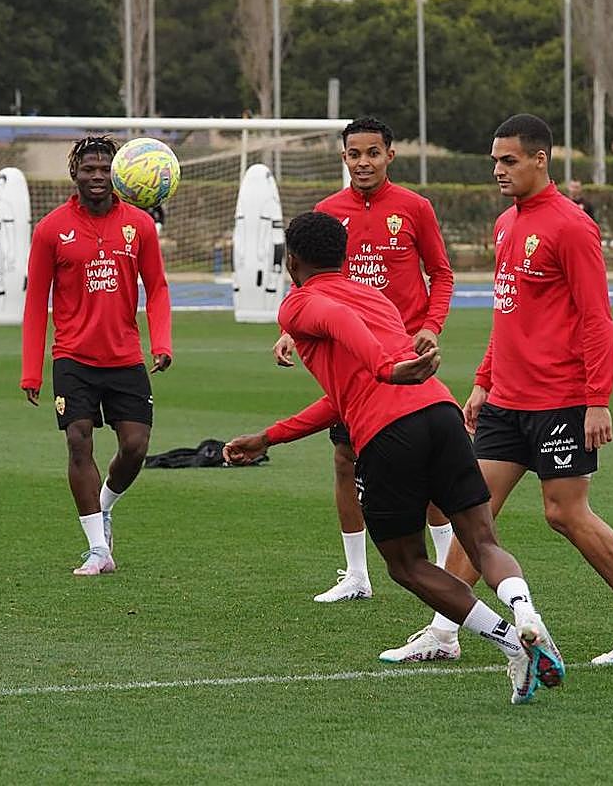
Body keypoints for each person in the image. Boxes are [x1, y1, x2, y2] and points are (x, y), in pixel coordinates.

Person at [225, 211, 564, 704]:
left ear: (291, 262)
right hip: (441, 412)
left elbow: (338, 324)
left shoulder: (299, 304)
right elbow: (340, 399)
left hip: (389, 434)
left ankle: (515, 644)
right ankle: (527, 614)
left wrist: (385, 368)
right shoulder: (373, 294)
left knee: (406, 564)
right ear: (343, 256)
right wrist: (270, 437)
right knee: (482, 539)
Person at [379, 113, 613, 666]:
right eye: (495, 160)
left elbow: (596, 318)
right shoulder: (505, 224)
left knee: (565, 513)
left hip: (560, 398)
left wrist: (597, 398)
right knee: (474, 514)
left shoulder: (571, 225)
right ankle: (443, 633)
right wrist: (484, 382)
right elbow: (507, 313)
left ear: (541, 159)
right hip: (506, 401)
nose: (498, 169)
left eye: (509, 160)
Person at [272, 116, 456, 603]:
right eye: (354, 154)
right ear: (343, 158)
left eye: (373, 153)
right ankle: (356, 574)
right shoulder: (328, 211)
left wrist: (429, 326)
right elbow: (308, 283)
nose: (363, 162)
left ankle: (445, 564)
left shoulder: (414, 207)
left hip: (405, 356)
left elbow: (441, 273)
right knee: (343, 458)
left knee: (431, 469)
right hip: (352, 360)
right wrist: (290, 331)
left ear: (390, 155)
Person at [21, 135, 172, 576]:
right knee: (77, 439)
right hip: (73, 357)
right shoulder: (51, 228)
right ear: (75, 173)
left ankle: (104, 507)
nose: (97, 177)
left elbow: (158, 288)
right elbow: (36, 303)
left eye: (105, 169)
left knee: (135, 447)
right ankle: (97, 550)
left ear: (119, 173)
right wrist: (32, 371)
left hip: (125, 356)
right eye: (89, 169)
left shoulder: (140, 225)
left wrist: (160, 342)